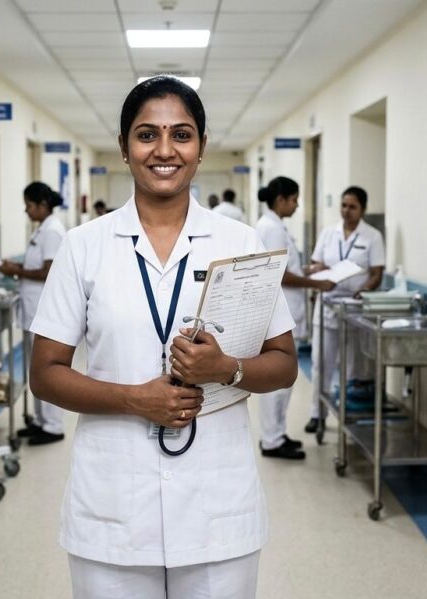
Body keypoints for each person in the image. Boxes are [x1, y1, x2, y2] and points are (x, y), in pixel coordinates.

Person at [28, 75, 297, 597]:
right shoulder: (84, 246)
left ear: (201, 146)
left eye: (182, 134)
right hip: (113, 507)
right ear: (124, 146)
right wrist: (135, 399)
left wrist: (227, 369)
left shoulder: (240, 241)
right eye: (147, 134)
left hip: (218, 505)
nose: (165, 150)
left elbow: (284, 362)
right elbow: (45, 374)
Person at [253, 176, 336, 459]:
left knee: (282, 382)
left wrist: (310, 270)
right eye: (295, 199)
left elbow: (289, 268)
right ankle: (272, 440)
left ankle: (276, 434)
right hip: (278, 313)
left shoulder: (273, 226)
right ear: (281, 200)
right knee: (278, 379)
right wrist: (317, 284)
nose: (297, 205)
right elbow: (281, 275)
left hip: (283, 311)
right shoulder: (272, 229)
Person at [304, 186, 385, 433]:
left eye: (352, 207)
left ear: (363, 209)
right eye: (344, 205)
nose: (346, 211)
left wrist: (365, 290)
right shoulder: (329, 233)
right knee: (321, 364)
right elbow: (317, 263)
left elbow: (377, 273)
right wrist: (316, 270)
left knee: (353, 366)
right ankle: (317, 414)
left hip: (355, 308)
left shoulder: (372, 236)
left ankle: (349, 413)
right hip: (327, 305)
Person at [0, 182, 67, 445]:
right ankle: (39, 421)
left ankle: (53, 426)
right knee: (35, 369)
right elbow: (37, 265)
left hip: (44, 310)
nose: (26, 210)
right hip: (34, 310)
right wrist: (17, 267)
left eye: (29, 205)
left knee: (46, 370)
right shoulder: (43, 229)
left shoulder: (52, 231)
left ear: (42, 205)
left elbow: (49, 271)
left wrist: (15, 271)